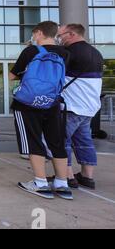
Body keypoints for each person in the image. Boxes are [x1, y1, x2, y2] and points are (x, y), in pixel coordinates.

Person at [9, 21, 73, 200]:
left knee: (33, 140)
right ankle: (62, 183)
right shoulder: (66, 53)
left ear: (38, 33)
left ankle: (40, 182)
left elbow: (13, 75)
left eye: (34, 34)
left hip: (27, 104)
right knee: (56, 141)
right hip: (52, 103)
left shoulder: (30, 51)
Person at [57, 24, 104, 190]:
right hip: (89, 107)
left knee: (61, 141)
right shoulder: (96, 53)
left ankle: (68, 176)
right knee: (85, 141)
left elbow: (57, 75)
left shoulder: (69, 53)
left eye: (61, 35)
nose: (59, 39)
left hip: (72, 106)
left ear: (71, 34)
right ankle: (87, 176)